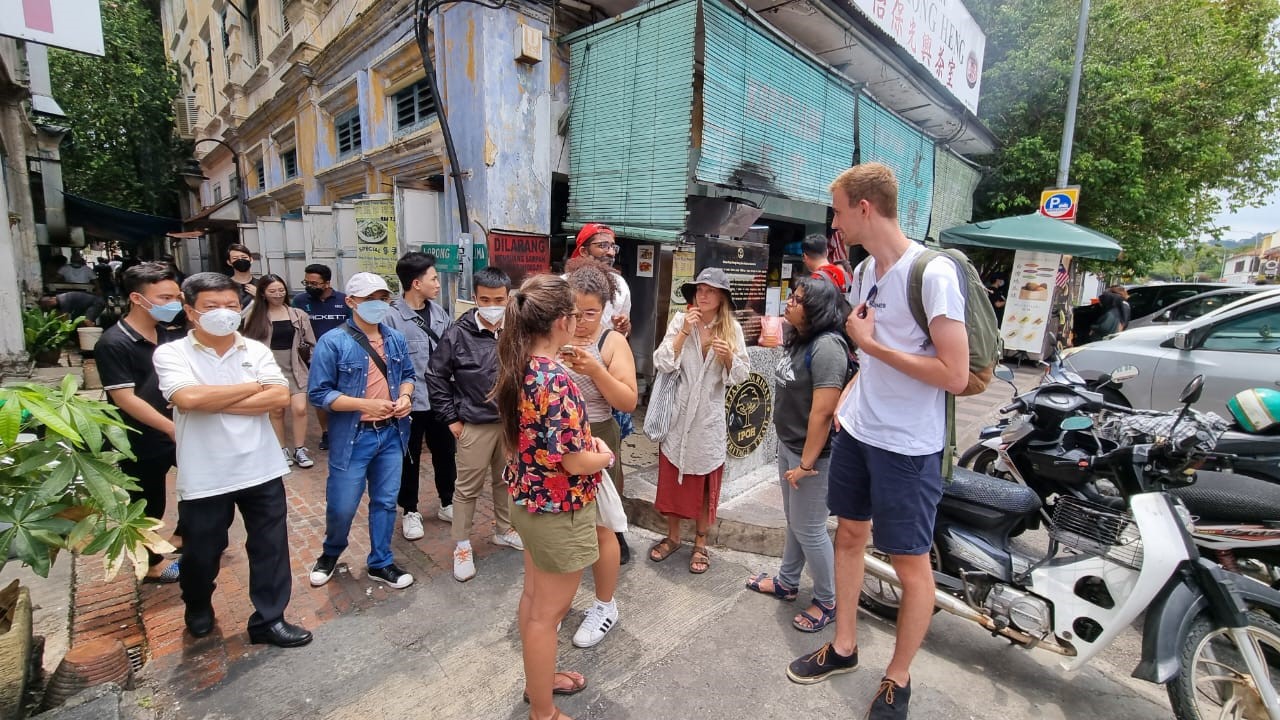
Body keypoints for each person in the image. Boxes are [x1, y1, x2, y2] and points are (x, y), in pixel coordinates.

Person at [786, 163, 969, 720]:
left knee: (912, 565)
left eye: (838, 209)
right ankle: (844, 647)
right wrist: (852, 392)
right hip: (861, 433)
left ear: (864, 207)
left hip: (909, 446)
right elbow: (869, 355)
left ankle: (898, 676)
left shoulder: (931, 274)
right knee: (847, 538)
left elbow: (955, 374)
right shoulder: (865, 273)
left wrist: (871, 345)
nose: (834, 222)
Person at [152, 272, 312, 647]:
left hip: (262, 466)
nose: (224, 313)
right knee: (202, 551)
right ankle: (197, 604)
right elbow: (187, 400)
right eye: (212, 307)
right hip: (206, 473)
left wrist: (213, 399)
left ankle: (269, 619)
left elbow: (278, 398)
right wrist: (251, 388)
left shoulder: (253, 349)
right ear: (191, 311)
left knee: (270, 548)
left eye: (230, 305)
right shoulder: (172, 353)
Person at [493, 274, 614, 720]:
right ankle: (542, 711)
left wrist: (585, 452)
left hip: (527, 498)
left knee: (534, 600)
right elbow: (573, 460)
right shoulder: (554, 379)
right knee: (549, 612)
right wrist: (604, 457)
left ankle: (539, 684)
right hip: (556, 508)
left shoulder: (518, 364)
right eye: (576, 314)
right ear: (562, 321)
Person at [746, 276, 851, 633]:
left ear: (818, 310)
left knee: (810, 528)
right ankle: (787, 582)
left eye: (799, 299)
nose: (790, 302)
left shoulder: (827, 348)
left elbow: (823, 412)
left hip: (815, 459)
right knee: (796, 522)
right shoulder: (799, 339)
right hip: (791, 448)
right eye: (792, 296)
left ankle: (827, 599)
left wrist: (806, 465)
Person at [307, 272, 416, 591]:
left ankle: (380, 561)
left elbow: (408, 374)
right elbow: (319, 393)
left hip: (392, 434)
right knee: (342, 504)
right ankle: (330, 553)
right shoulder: (333, 342)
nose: (378, 305)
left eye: (383, 299)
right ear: (351, 302)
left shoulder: (394, 337)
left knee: (384, 501)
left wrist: (406, 396)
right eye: (370, 300)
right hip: (353, 436)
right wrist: (363, 405)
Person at [648, 267, 750, 574]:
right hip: (679, 417)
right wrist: (681, 333)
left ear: (721, 298)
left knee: (704, 485)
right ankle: (673, 537)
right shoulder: (682, 320)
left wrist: (729, 356)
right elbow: (662, 361)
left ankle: (701, 543)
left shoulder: (731, 329)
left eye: (710, 291)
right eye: (699, 290)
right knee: (673, 481)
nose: (703, 295)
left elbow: (742, 375)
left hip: (708, 420)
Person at [426, 266, 523, 582]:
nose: (492, 305)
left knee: (506, 479)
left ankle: (504, 529)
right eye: (485, 299)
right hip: (475, 423)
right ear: (475, 297)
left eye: (498, 299)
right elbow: (436, 375)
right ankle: (463, 545)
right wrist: (451, 417)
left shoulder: (519, 329)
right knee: (467, 487)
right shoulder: (458, 332)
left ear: (508, 298)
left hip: (511, 422)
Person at [561, 259, 638, 647]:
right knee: (564, 527)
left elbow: (627, 400)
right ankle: (560, 601)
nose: (582, 321)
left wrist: (595, 371)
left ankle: (604, 605)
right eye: (574, 312)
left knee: (601, 527)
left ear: (606, 309)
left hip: (598, 437)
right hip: (558, 443)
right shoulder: (554, 336)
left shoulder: (611, 342)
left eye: (590, 312)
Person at [96, 262, 185, 582]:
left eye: (176, 296)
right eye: (164, 297)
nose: (174, 303)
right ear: (137, 298)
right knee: (148, 502)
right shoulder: (113, 342)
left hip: (178, 427)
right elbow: (125, 399)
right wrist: (168, 427)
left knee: (197, 484)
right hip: (141, 436)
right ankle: (150, 563)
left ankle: (179, 538)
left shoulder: (167, 334)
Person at [385, 252, 456, 539]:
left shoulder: (440, 314)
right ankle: (410, 510)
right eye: (434, 278)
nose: (438, 284)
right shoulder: (391, 317)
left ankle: (448, 502)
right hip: (408, 403)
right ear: (416, 283)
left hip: (439, 400)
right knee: (409, 457)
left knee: (445, 454)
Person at [242, 274, 318, 469]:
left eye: (281, 290)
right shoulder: (255, 315)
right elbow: (246, 343)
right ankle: (281, 449)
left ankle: (299, 449)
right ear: (263, 294)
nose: (278, 294)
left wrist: (313, 360)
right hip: (269, 368)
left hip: (295, 366)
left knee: (300, 408)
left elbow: (311, 342)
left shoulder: (298, 314)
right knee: (276, 410)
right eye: (272, 291)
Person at [293, 263, 349, 451]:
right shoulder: (300, 301)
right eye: (307, 282)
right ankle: (326, 432)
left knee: (344, 394)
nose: (310, 286)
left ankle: (345, 430)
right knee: (321, 396)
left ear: (327, 283)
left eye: (315, 283)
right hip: (314, 358)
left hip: (343, 356)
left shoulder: (343, 300)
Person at [569, 224, 631, 336]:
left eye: (613, 247)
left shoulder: (620, 284)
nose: (611, 253)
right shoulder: (565, 284)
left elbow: (626, 329)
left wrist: (623, 326)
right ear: (584, 251)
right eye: (603, 246)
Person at [40, 290, 105, 325]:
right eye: (47, 306)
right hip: (84, 307)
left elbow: (65, 319)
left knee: (87, 321)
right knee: (79, 322)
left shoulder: (63, 300)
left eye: (48, 304)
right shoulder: (58, 302)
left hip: (96, 303)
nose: (49, 307)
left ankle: (96, 339)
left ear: (51, 299)